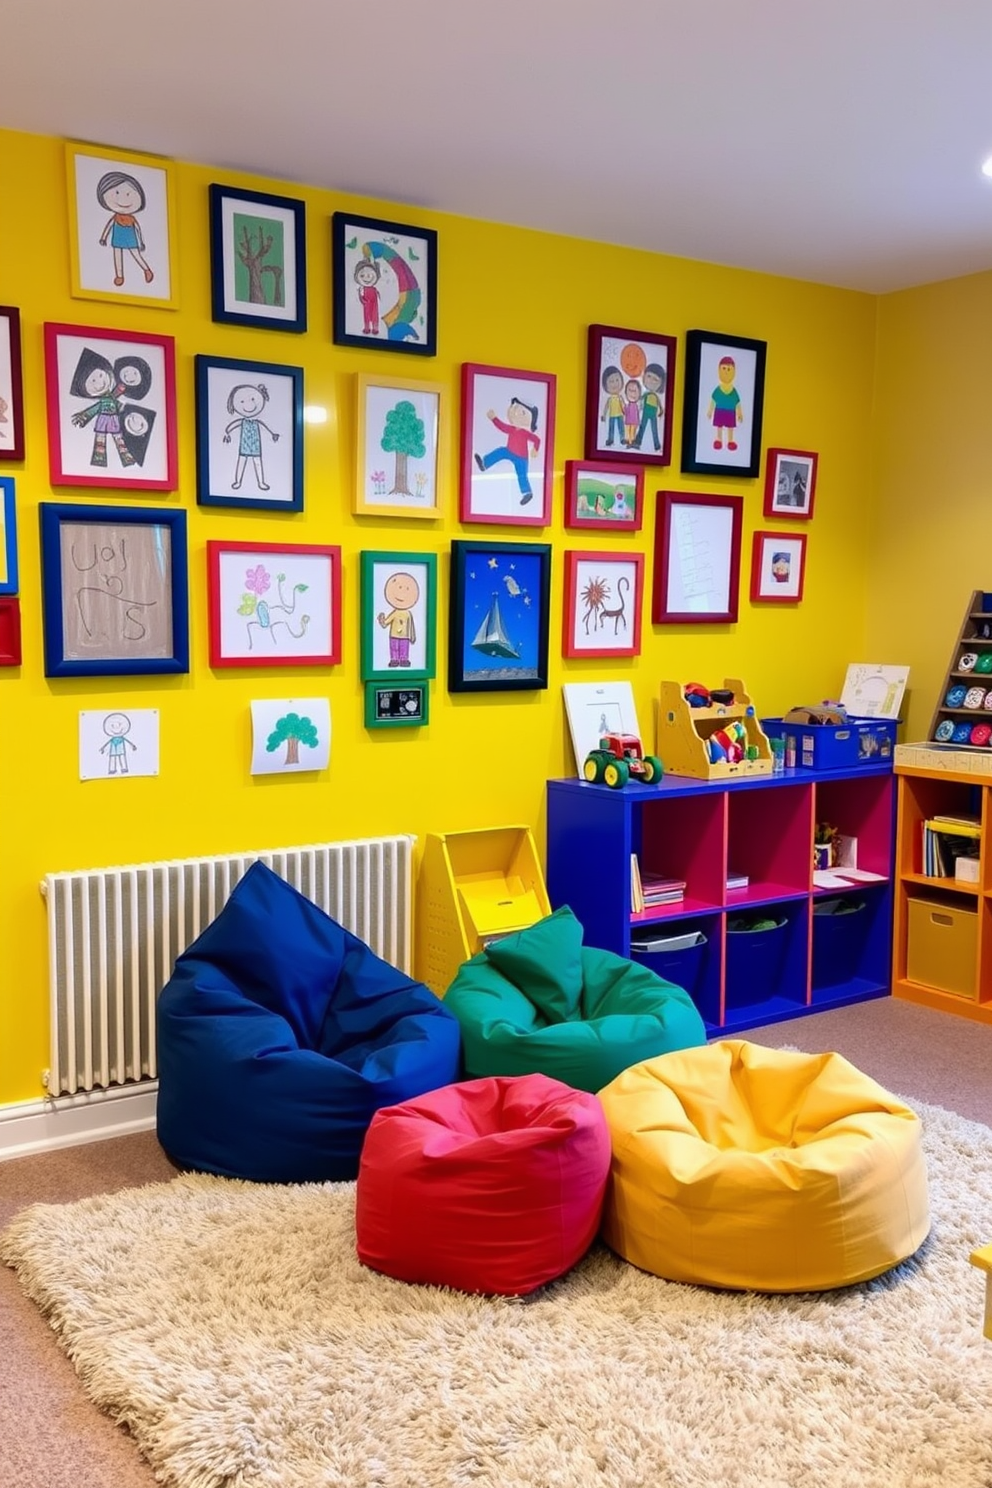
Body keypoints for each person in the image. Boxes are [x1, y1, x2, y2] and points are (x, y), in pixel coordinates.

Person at [474, 396, 541, 505]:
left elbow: (537, 440)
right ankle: (484, 463)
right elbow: (502, 426)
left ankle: (527, 492)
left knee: (522, 474)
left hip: (521, 457)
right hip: (509, 450)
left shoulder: (525, 433)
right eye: (514, 410)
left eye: (521, 413)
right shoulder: (512, 429)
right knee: (499, 452)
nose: (516, 414)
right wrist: (493, 418)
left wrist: (535, 449)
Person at [97, 171, 154, 288]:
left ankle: (147, 270)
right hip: (117, 238)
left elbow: (138, 230)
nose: (123, 199)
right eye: (116, 193)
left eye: (128, 194)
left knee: (136, 254)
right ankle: (119, 276)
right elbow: (108, 227)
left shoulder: (132, 219)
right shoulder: (115, 217)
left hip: (130, 238)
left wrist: (142, 242)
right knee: (117, 256)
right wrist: (103, 238)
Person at [223, 383, 280, 491]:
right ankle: (238, 481)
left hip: (255, 446)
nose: (248, 405)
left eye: (253, 399)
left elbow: (265, 426)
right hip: (244, 445)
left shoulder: (256, 422)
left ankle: (261, 482)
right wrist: (227, 432)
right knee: (241, 462)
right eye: (242, 402)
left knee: (258, 463)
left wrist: (272, 434)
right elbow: (233, 425)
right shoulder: (243, 421)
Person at [377, 571, 420, 667]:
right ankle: (394, 660)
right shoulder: (395, 613)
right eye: (399, 588)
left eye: (407, 589)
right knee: (394, 648)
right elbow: (386, 623)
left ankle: (404, 660)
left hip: (405, 636)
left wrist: (412, 636)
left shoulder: (408, 614)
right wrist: (382, 620)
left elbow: (411, 625)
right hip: (394, 635)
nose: (402, 593)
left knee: (404, 648)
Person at [707, 355, 743, 451]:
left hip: (731, 412)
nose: (726, 372)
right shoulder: (718, 390)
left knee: (730, 426)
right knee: (719, 426)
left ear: (734, 372)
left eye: (729, 369)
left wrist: (740, 413)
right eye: (724, 369)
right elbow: (713, 400)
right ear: (719, 371)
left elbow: (737, 402)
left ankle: (730, 441)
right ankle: (719, 440)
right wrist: (710, 411)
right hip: (719, 411)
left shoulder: (734, 391)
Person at [634, 362, 666, 451]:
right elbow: (640, 400)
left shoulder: (656, 396)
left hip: (653, 413)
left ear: (661, 383)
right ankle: (637, 442)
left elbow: (660, 404)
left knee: (654, 429)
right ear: (643, 377)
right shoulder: (646, 394)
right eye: (649, 376)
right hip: (646, 412)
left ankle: (657, 445)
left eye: (655, 379)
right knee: (642, 426)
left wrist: (661, 411)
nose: (651, 381)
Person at [354, 258, 381, 335]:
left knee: (374, 316)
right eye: (362, 275)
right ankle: (367, 328)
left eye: (369, 275)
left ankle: (375, 329)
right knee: (366, 316)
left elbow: (379, 299)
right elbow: (361, 297)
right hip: (366, 305)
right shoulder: (362, 288)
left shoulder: (374, 289)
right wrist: (363, 300)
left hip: (374, 305)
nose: (366, 278)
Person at [599, 366, 625, 447]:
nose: (615, 384)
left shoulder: (620, 397)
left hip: (620, 415)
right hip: (612, 415)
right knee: (611, 428)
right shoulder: (610, 399)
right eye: (611, 381)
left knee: (621, 428)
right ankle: (610, 439)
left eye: (617, 380)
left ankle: (622, 438)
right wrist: (603, 415)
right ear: (605, 385)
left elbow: (623, 406)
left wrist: (626, 412)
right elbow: (606, 407)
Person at [622, 379, 642, 448]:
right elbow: (625, 412)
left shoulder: (636, 405)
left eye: (635, 391)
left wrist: (638, 421)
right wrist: (624, 408)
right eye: (630, 391)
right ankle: (629, 441)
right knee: (628, 431)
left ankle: (631, 442)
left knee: (633, 431)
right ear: (626, 393)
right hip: (628, 421)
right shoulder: (628, 405)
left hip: (634, 421)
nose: (632, 394)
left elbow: (638, 413)